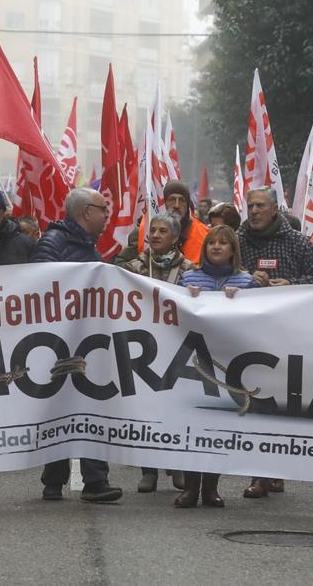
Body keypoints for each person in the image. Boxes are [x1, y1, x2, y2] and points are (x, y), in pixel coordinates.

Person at [233, 187, 313, 498]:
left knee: (283, 406)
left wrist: (291, 285)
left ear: (274, 209)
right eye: (250, 206)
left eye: (260, 205)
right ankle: (259, 474)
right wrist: (246, 278)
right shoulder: (237, 240)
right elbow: (221, 274)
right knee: (257, 403)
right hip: (249, 337)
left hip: (290, 336)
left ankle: (276, 469)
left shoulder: (297, 242)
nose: (254, 211)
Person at [33, 187, 123, 503]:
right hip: (60, 342)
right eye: (103, 208)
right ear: (86, 212)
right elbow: (40, 288)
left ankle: (95, 482)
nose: (107, 214)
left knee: (90, 407)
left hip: (87, 341)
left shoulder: (87, 246)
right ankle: (55, 481)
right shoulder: (54, 243)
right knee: (62, 408)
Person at [174, 225, 258, 508]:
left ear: (233, 250)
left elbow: (260, 320)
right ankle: (190, 487)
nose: (217, 247)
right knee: (192, 424)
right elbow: (172, 314)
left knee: (218, 427)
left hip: (227, 363)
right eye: (212, 243)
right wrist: (186, 296)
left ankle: (211, 487)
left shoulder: (246, 282)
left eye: (224, 243)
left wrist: (242, 303)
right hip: (193, 359)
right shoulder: (189, 277)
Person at [119, 212, 193, 494]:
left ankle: (175, 465)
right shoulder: (132, 268)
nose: (157, 235)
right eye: (153, 230)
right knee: (145, 409)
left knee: (175, 409)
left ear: (175, 237)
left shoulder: (190, 270)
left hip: (176, 349)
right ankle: (148, 470)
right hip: (142, 348)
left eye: (164, 231)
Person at [116, 180, 209, 264]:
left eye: (182, 200)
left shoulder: (204, 235)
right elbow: (120, 264)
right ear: (163, 203)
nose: (177, 205)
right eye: (171, 199)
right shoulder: (143, 230)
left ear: (188, 205)